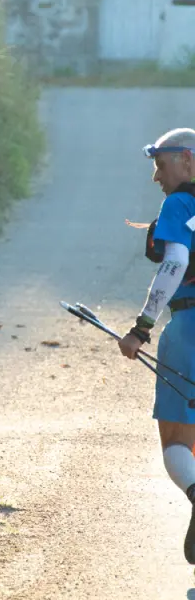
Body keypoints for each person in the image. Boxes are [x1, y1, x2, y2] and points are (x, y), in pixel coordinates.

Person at [119, 128, 195, 563]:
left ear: (186, 159)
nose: (156, 177)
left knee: (177, 445)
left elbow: (175, 261)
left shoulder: (181, 203)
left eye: (160, 165)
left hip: (189, 329)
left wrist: (141, 327)